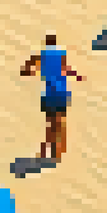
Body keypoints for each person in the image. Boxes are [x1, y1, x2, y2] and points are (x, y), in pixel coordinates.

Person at [19, 35, 82, 163]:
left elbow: (26, 68)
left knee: (51, 123)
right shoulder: (60, 54)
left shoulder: (41, 56)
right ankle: (59, 151)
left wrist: (30, 71)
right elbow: (66, 68)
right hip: (62, 92)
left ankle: (46, 151)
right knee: (61, 123)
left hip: (49, 94)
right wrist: (76, 75)